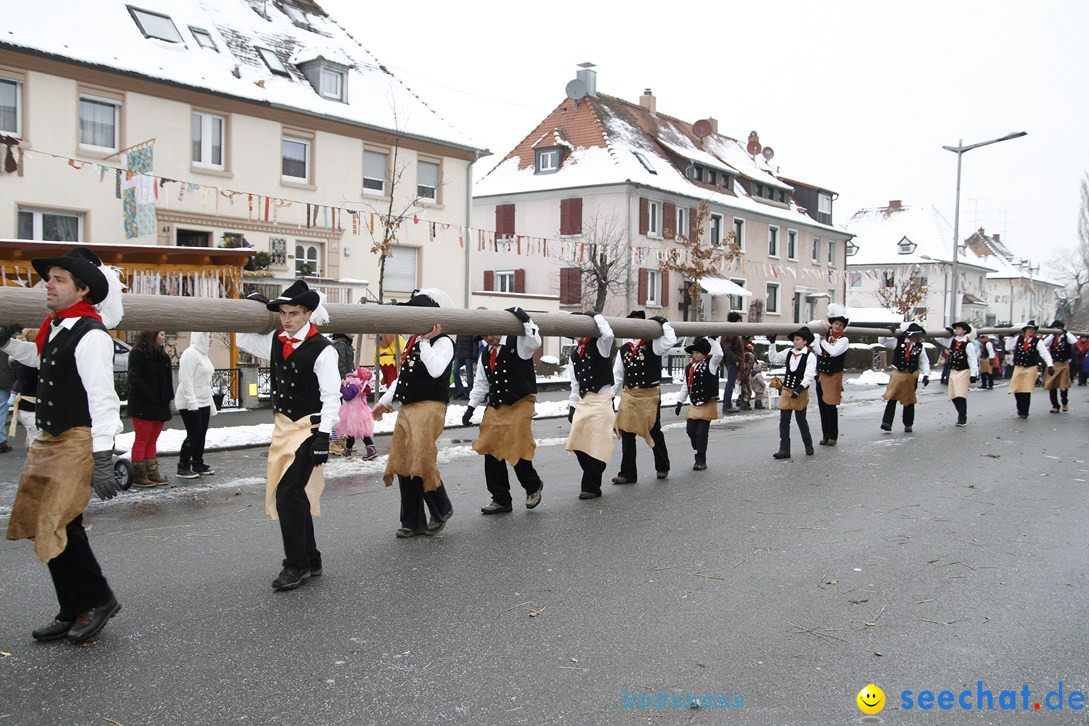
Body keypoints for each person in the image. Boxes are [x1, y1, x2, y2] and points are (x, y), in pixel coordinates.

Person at [1, 245, 124, 643]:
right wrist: (7, 345)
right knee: (51, 523)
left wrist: (104, 454)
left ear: (82, 289)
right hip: (50, 439)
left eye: (58, 279)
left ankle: (99, 599)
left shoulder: (91, 335)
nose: (48, 285)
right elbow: (42, 359)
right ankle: (73, 607)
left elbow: (103, 398)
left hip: (76, 439)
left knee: (60, 523)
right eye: (48, 278)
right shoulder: (57, 325)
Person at [238, 280, 340, 591]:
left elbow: (331, 396)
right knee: (294, 496)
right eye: (283, 313)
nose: (286, 319)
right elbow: (242, 338)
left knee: (287, 495)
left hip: (308, 430)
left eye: (293, 313)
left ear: (308, 313)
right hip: (283, 429)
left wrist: (324, 437)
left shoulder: (324, 349)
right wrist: (253, 306)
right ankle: (311, 558)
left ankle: (296, 565)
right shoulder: (276, 339)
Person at [372, 289, 456, 537]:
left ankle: (441, 508)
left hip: (430, 407)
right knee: (402, 461)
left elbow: (436, 370)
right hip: (409, 408)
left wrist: (426, 341)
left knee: (419, 459)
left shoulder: (443, 342)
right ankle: (412, 521)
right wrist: (385, 401)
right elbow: (402, 378)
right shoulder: (415, 341)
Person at [462, 306, 545, 514]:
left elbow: (535, 341)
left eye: (492, 332)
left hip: (520, 402)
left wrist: (525, 317)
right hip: (497, 405)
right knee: (490, 448)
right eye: (484, 334)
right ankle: (500, 499)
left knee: (516, 446)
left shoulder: (519, 343)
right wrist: (471, 408)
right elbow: (481, 383)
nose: (489, 337)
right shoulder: (485, 354)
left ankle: (533, 486)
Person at [611, 311, 675, 485]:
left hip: (649, 395)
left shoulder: (653, 344)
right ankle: (628, 473)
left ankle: (662, 466)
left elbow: (670, 341)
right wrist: (611, 396)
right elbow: (618, 375)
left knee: (654, 431)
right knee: (627, 433)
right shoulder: (624, 349)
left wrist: (664, 323)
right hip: (630, 395)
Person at [566, 310, 619, 498]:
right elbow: (575, 383)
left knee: (597, 444)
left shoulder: (600, 345)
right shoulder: (574, 356)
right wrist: (572, 406)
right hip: (584, 401)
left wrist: (595, 317)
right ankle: (592, 478)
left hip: (602, 400)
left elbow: (609, 334)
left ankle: (590, 486)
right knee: (578, 443)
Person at [127, 331, 174, 488]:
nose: (164, 336)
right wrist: (149, 394)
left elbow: (168, 379)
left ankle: (153, 472)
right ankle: (140, 474)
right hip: (143, 403)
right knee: (142, 439)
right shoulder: (138, 353)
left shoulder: (162, 355)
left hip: (159, 404)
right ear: (152, 335)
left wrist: (167, 396)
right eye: (161, 333)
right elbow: (134, 378)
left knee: (152, 439)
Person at [766, 328, 817, 459]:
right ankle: (784, 449)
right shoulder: (789, 352)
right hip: (787, 390)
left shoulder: (810, 356)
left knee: (801, 420)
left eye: (798, 339)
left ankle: (808, 444)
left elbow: (809, 375)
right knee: (784, 420)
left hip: (801, 391)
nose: (795, 342)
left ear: (805, 341)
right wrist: (772, 343)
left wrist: (799, 389)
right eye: (794, 339)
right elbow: (774, 358)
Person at [674, 336, 723, 470]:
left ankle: (701, 458)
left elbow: (719, 354)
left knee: (701, 432)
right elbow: (686, 386)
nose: (694, 355)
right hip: (694, 403)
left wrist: (713, 341)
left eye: (697, 352)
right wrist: (679, 401)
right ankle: (698, 447)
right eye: (693, 353)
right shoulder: (689, 367)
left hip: (707, 402)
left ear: (704, 354)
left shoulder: (711, 364)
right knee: (691, 430)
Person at [175, 331, 216, 479]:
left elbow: (206, 381)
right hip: (189, 402)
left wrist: (210, 403)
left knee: (201, 434)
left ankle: (197, 462)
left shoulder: (203, 355)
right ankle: (183, 465)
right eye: (208, 337)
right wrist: (191, 402)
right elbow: (186, 379)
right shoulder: (189, 354)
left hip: (203, 400)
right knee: (193, 434)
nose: (211, 340)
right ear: (200, 337)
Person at [879, 322, 930, 433]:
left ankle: (908, 424)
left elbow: (924, 361)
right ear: (909, 334)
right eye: (915, 335)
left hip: (911, 374)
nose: (917, 338)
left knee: (909, 399)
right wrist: (888, 332)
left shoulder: (919, 347)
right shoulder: (898, 341)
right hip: (898, 372)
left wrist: (926, 374)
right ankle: (886, 422)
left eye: (919, 336)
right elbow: (882, 341)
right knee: (892, 397)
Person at [813, 305, 849, 446]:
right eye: (835, 324)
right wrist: (821, 323)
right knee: (822, 406)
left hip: (833, 375)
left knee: (831, 405)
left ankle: (833, 435)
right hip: (822, 374)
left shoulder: (843, 340)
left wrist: (822, 341)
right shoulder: (827, 336)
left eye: (840, 325)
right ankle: (825, 435)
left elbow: (833, 352)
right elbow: (819, 351)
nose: (837, 326)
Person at [1004, 320, 1053, 419]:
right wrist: (1010, 336)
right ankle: (1020, 407)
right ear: (1025, 330)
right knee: (1016, 389)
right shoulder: (1018, 338)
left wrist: (1050, 365)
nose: (1030, 331)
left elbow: (1044, 354)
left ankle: (1024, 411)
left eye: (1032, 329)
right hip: (1019, 367)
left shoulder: (1037, 341)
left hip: (1030, 367)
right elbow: (1008, 347)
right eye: (1029, 329)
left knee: (1026, 390)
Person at [938, 321, 979, 426]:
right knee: (953, 395)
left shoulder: (968, 344)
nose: (957, 330)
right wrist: (946, 331)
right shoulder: (953, 341)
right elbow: (938, 338)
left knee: (961, 395)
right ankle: (960, 413)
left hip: (963, 371)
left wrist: (974, 374)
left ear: (965, 331)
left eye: (959, 328)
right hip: (953, 371)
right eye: (956, 328)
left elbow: (972, 359)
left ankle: (962, 417)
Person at [338, 365, 377, 459]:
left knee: (357, 432)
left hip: (353, 411)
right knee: (352, 432)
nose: (354, 371)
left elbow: (347, 396)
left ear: (360, 375)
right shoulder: (356, 383)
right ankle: (348, 450)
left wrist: (341, 387)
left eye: (357, 371)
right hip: (355, 410)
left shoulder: (355, 384)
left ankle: (370, 449)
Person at [10, 329, 42, 447]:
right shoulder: (33, 361)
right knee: (39, 446)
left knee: (34, 443)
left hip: (24, 405)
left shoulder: (17, 360)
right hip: (32, 407)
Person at [1042, 319, 1077, 413]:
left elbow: (1074, 341)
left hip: (1064, 364)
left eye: (1054, 328)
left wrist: (1065, 332)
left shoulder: (1066, 337)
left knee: (1063, 385)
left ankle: (1064, 402)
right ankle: (1055, 406)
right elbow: (1044, 343)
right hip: (1053, 363)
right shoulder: (1052, 338)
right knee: (1051, 385)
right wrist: (1052, 335)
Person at [720, 312, 744, 413]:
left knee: (730, 383)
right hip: (732, 362)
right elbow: (727, 349)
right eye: (739, 321)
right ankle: (727, 405)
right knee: (730, 383)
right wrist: (736, 360)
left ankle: (727, 404)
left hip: (731, 361)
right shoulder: (730, 333)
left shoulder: (729, 331)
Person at [452, 333, 477, 400]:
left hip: (469, 355)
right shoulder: (460, 331)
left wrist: (474, 356)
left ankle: (470, 393)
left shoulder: (472, 331)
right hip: (459, 354)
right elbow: (457, 341)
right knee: (455, 371)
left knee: (469, 375)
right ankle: (460, 391)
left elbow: (475, 343)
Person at [0, 346, 14, 453]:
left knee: (1, 410)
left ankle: (1, 440)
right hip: (14, 379)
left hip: (2, 381)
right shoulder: (14, 339)